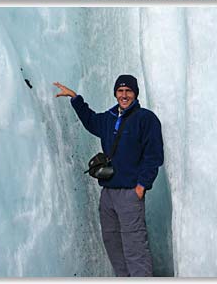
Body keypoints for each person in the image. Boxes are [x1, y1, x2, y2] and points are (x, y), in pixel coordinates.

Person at [53, 74, 163, 277]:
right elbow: (91, 120)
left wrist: (141, 186)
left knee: (135, 248)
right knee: (113, 243)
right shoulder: (109, 118)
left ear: (135, 94)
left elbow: (154, 156)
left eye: (128, 91)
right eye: (120, 91)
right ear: (115, 93)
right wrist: (75, 98)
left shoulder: (145, 119)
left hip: (130, 193)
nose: (124, 95)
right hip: (108, 194)